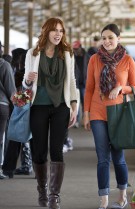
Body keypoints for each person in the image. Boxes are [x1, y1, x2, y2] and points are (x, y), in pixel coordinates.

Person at [22, 17, 77, 208]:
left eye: (61, 31)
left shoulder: (67, 54)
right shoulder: (33, 54)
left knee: (56, 150)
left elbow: (71, 81)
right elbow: (25, 83)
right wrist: (28, 81)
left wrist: (74, 105)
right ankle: (42, 190)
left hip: (61, 106)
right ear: (46, 32)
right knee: (39, 151)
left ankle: (54, 195)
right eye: (54, 30)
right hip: (38, 106)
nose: (58, 34)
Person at [83, 23, 135, 209]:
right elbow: (89, 88)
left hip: (119, 114)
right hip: (98, 112)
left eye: (110, 38)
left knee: (118, 157)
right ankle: (104, 199)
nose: (106, 41)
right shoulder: (94, 59)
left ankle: (122, 196)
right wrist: (86, 113)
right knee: (102, 157)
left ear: (118, 38)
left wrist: (121, 88)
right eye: (104, 38)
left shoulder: (128, 60)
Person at [2, 48, 34, 178]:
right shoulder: (28, 73)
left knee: (15, 137)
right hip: (33, 108)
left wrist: (16, 101)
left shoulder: (21, 74)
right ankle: (35, 168)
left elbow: (18, 94)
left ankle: (9, 169)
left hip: (21, 108)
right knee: (34, 139)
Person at [0, 41, 16, 180]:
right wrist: (18, 104)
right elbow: (11, 89)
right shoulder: (4, 65)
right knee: (1, 138)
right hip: (1, 105)